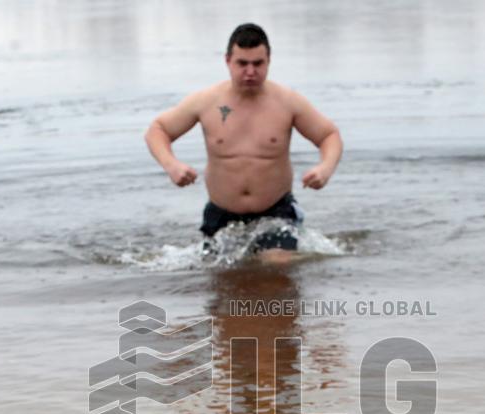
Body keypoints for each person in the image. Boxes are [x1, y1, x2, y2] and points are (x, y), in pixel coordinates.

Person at [144, 23, 343, 260]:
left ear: (268, 61)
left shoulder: (287, 102)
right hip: (222, 215)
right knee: (219, 277)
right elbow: (158, 130)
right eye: (242, 63)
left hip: (276, 212)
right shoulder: (206, 102)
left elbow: (329, 135)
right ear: (228, 61)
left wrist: (325, 169)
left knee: (277, 263)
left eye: (258, 64)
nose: (250, 72)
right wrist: (172, 165)